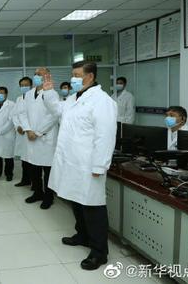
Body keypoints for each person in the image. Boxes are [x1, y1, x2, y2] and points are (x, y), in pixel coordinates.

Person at [43, 61, 117, 271]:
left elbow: (105, 137)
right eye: (72, 75)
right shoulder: (75, 98)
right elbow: (57, 110)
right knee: (76, 201)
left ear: (90, 77)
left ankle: (99, 252)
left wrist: (99, 166)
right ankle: (82, 235)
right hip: (71, 162)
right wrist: (49, 93)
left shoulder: (102, 101)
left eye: (77, 75)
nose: (73, 79)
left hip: (89, 165)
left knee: (93, 207)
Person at [18, 67, 59, 209]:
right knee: (33, 168)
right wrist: (28, 130)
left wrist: (38, 132)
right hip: (30, 136)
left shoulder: (52, 94)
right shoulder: (28, 94)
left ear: (47, 76)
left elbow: (54, 116)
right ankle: (37, 193)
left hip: (45, 137)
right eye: (35, 74)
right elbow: (22, 113)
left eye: (39, 74)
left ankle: (48, 197)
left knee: (47, 170)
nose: (36, 77)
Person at [11, 77, 32, 187]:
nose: (24, 87)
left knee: (32, 159)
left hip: (30, 132)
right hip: (20, 133)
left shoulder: (34, 98)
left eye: (26, 85)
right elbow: (14, 115)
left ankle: (34, 182)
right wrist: (18, 126)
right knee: (24, 159)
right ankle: (25, 180)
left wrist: (25, 127)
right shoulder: (19, 99)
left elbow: (34, 116)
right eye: (22, 85)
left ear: (31, 85)